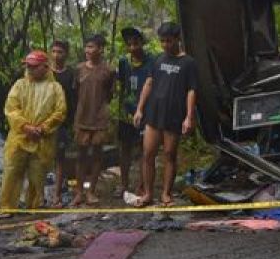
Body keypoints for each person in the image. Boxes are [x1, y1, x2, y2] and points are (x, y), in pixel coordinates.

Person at [133, 22, 197, 208]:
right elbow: (149, 83)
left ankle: (166, 194)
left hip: (174, 114)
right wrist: (140, 108)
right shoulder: (159, 59)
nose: (165, 45)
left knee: (170, 154)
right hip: (154, 113)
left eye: (169, 41)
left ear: (178, 39)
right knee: (148, 154)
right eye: (162, 41)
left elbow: (192, 91)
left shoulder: (188, 63)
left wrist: (189, 116)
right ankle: (148, 193)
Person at [0, 50, 67, 218]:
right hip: (19, 137)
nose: (29, 69)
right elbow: (11, 109)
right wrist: (25, 127)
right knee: (12, 172)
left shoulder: (55, 88)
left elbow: (60, 111)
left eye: (34, 66)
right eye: (28, 66)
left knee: (38, 175)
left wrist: (43, 128)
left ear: (45, 67)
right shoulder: (20, 85)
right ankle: (6, 207)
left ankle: (33, 207)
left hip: (43, 139)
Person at [72, 33, 116, 206]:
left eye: (92, 47)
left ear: (100, 49)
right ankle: (79, 192)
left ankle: (91, 191)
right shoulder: (79, 69)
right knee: (81, 155)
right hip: (82, 117)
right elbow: (76, 93)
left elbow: (110, 95)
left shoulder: (109, 71)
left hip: (99, 118)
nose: (88, 50)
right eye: (87, 47)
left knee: (97, 155)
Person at [116, 26, 154, 200]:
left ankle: (142, 183)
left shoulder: (151, 61)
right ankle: (123, 183)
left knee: (143, 149)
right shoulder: (123, 62)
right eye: (129, 44)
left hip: (145, 112)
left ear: (142, 43)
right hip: (126, 111)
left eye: (136, 43)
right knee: (125, 149)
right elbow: (121, 85)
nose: (133, 48)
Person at [49, 39, 77, 207]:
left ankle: (57, 195)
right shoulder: (45, 72)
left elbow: (74, 99)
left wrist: (72, 121)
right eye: (54, 51)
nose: (56, 55)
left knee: (60, 158)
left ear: (66, 54)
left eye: (60, 52)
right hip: (42, 121)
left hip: (62, 122)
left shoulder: (71, 74)